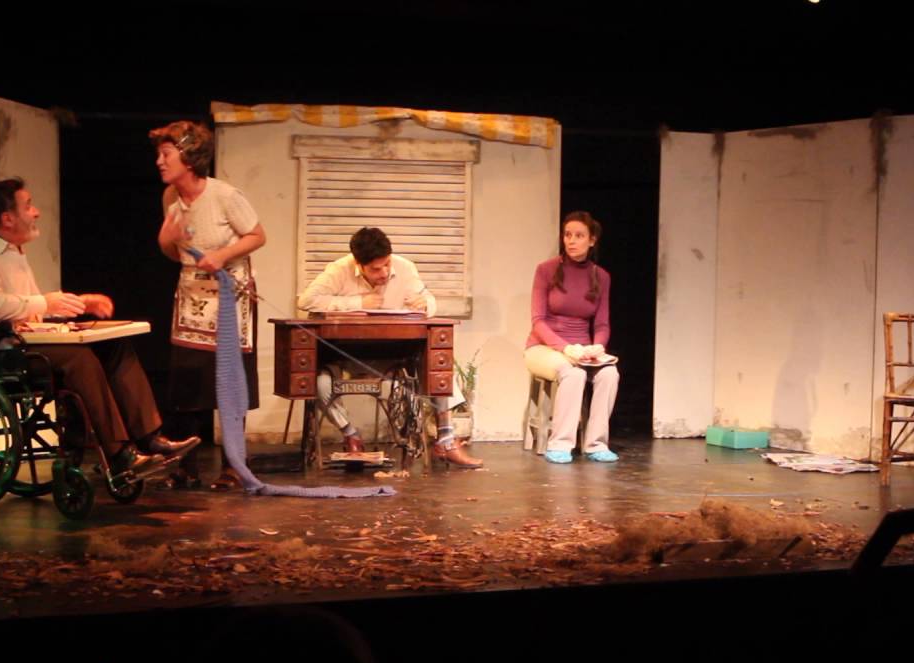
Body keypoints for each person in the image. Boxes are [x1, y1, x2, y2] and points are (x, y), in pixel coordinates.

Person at [0, 178, 198, 472]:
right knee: (79, 359)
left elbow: (28, 309)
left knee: (114, 346)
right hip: (1, 354)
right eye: (28, 206)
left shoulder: (13, 254)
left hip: (25, 345)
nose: (36, 212)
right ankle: (119, 454)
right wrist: (45, 302)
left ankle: (149, 437)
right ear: (7, 218)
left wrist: (78, 303)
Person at [297, 227, 483, 468]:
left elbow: (429, 300)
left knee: (439, 368)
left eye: (387, 264)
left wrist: (425, 304)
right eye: (376, 269)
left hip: (394, 354)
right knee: (320, 383)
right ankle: (351, 435)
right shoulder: (339, 270)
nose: (384, 273)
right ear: (358, 263)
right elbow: (306, 301)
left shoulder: (405, 268)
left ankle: (445, 441)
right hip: (345, 354)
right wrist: (358, 302)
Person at [150, 120, 267, 487]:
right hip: (191, 295)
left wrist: (222, 255)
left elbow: (257, 235)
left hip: (230, 295)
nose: (159, 161)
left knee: (229, 379)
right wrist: (166, 239)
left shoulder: (225, 196)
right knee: (187, 381)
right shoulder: (170, 198)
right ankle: (187, 468)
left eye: (166, 154)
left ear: (188, 156)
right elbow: (174, 253)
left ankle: (234, 466)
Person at [525, 211, 620, 463]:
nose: (571, 240)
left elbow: (602, 323)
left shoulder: (601, 277)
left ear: (592, 240)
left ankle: (596, 444)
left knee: (610, 374)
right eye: (568, 235)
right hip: (543, 348)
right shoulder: (546, 270)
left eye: (579, 236)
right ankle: (560, 444)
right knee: (573, 373)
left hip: (581, 350)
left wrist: (598, 346)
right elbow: (538, 321)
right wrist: (565, 348)